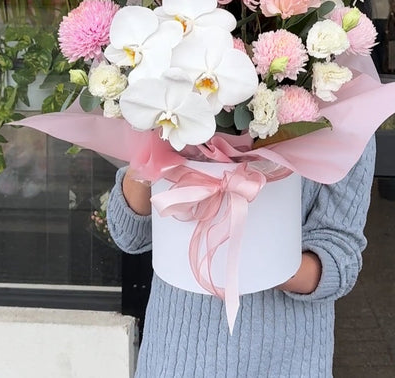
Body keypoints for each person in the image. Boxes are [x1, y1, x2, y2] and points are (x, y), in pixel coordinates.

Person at [106, 136, 376, 378]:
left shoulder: (345, 114)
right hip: (175, 354)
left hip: (284, 359)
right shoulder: (182, 93)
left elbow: (340, 256)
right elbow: (129, 235)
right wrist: (150, 145)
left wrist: (255, 259)